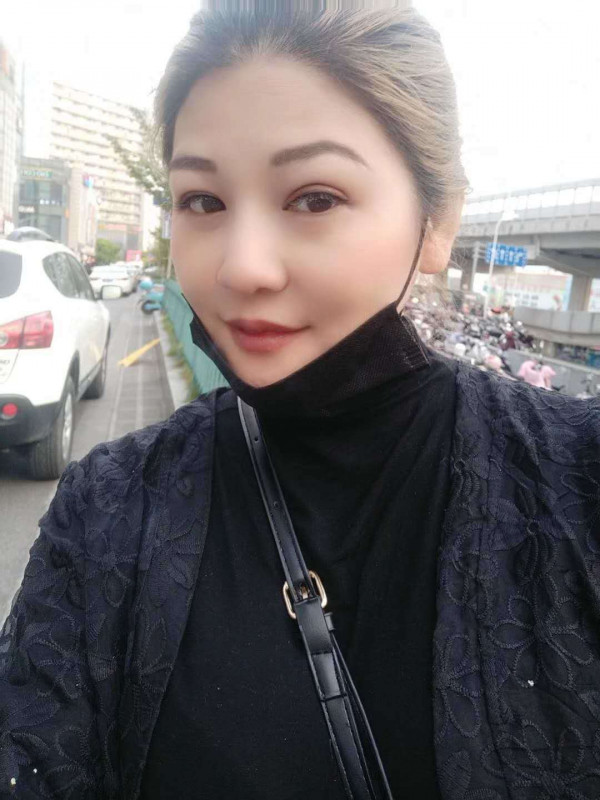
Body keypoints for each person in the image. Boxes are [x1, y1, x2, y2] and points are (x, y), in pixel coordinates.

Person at [2, 4, 600, 799]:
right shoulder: (108, 509)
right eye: (202, 201)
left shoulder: (577, 479)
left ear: (437, 222)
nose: (242, 268)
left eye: (315, 198)